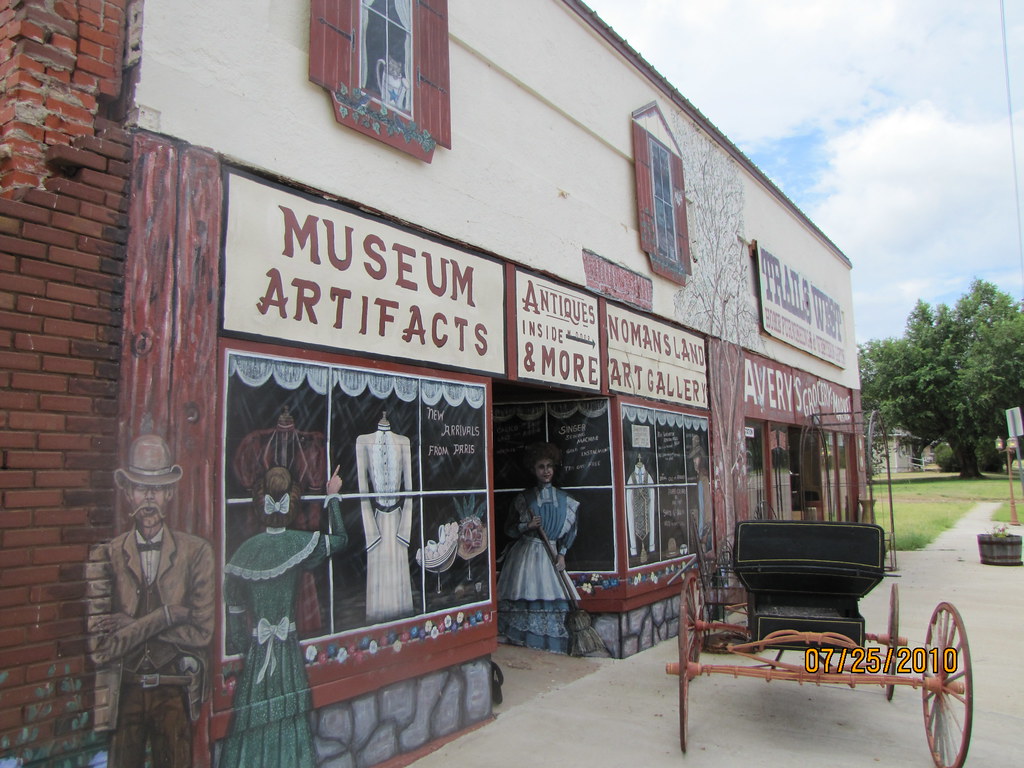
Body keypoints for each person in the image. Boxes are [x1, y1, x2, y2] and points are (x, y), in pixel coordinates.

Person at [92, 434, 215, 768]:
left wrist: (134, 626)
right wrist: (168, 616)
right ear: (128, 492)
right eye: (140, 487)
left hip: (173, 691)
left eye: (158, 488)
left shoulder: (197, 553)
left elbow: (202, 633)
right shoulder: (108, 554)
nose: (149, 497)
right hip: (125, 693)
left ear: (170, 494)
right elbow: (102, 646)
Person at [219, 465, 348, 768]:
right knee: (290, 720)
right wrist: (333, 498)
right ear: (291, 502)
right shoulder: (297, 544)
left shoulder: (245, 553)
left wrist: (246, 650)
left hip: (257, 655)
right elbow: (340, 539)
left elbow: (236, 625)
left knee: (254, 719)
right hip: (287, 652)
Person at [497, 442, 579, 654]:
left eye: (549, 466)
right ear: (533, 470)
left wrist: (562, 554)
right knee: (527, 593)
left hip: (550, 556)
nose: (546, 471)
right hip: (526, 556)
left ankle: (549, 645)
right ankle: (523, 642)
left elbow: (571, 530)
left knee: (551, 596)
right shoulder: (524, 499)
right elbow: (509, 529)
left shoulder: (565, 500)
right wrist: (527, 526)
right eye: (541, 467)